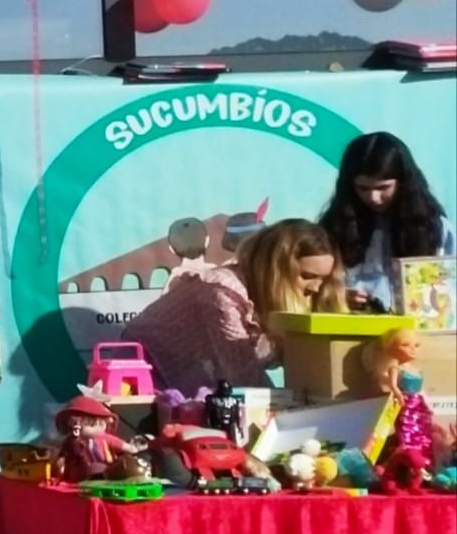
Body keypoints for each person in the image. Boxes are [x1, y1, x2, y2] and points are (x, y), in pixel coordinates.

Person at [122, 218, 345, 395]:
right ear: (275, 269)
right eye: (307, 276)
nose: (316, 288)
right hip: (146, 378)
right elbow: (243, 379)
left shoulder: (263, 292)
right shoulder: (222, 293)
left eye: (323, 279)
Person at [318, 132, 455, 312]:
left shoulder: (436, 228)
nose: (373, 197)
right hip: (352, 328)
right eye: (363, 188)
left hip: (415, 333)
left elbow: (450, 287)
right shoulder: (335, 226)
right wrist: (338, 296)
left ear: (403, 182)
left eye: (383, 188)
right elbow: (315, 285)